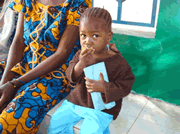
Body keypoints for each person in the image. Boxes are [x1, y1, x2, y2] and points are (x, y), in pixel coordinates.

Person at [0, 0, 91, 133]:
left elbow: (62, 53)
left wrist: (14, 84)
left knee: (14, 113)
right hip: (26, 62)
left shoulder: (78, 3)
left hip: (55, 72)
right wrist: (4, 83)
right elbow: (19, 41)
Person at [47, 7, 135, 134]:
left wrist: (104, 87)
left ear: (108, 36)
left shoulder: (117, 62)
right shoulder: (80, 55)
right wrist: (80, 64)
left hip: (101, 109)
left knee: (91, 131)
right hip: (76, 102)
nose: (88, 41)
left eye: (95, 36)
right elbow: (70, 76)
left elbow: (126, 85)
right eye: (83, 35)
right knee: (56, 123)